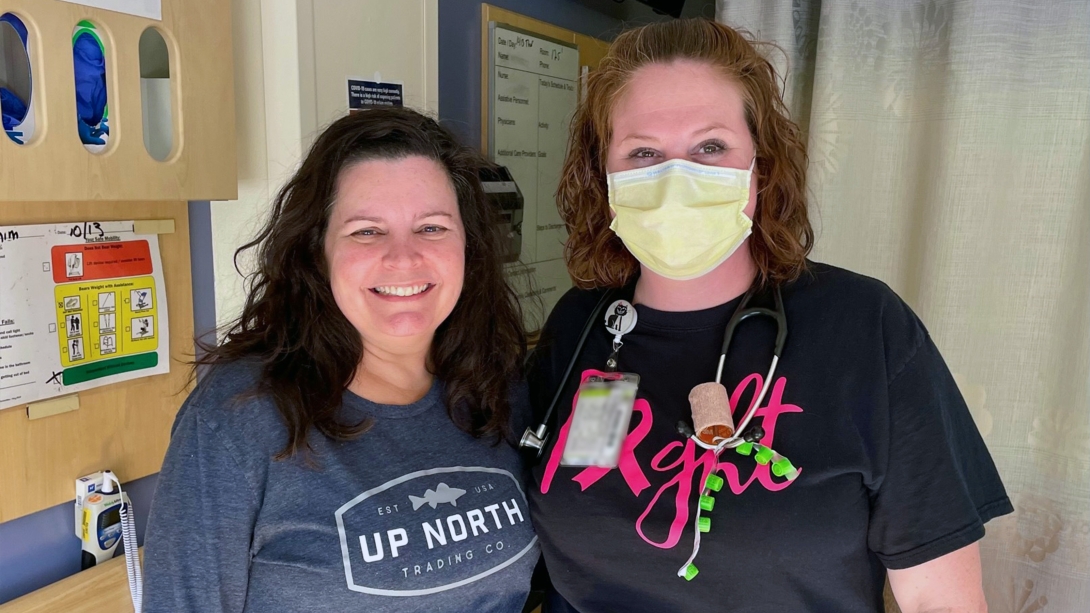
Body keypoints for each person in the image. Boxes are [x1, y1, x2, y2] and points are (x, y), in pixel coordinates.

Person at [525, 18, 1011, 613]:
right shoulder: (582, 328)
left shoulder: (864, 329)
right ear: (604, 176)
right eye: (644, 152)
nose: (679, 179)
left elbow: (943, 600)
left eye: (710, 147)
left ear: (761, 165)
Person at [143, 107, 538, 612]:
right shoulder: (239, 418)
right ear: (318, 248)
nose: (403, 257)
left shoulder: (499, 387)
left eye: (433, 227)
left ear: (469, 244)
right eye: (367, 231)